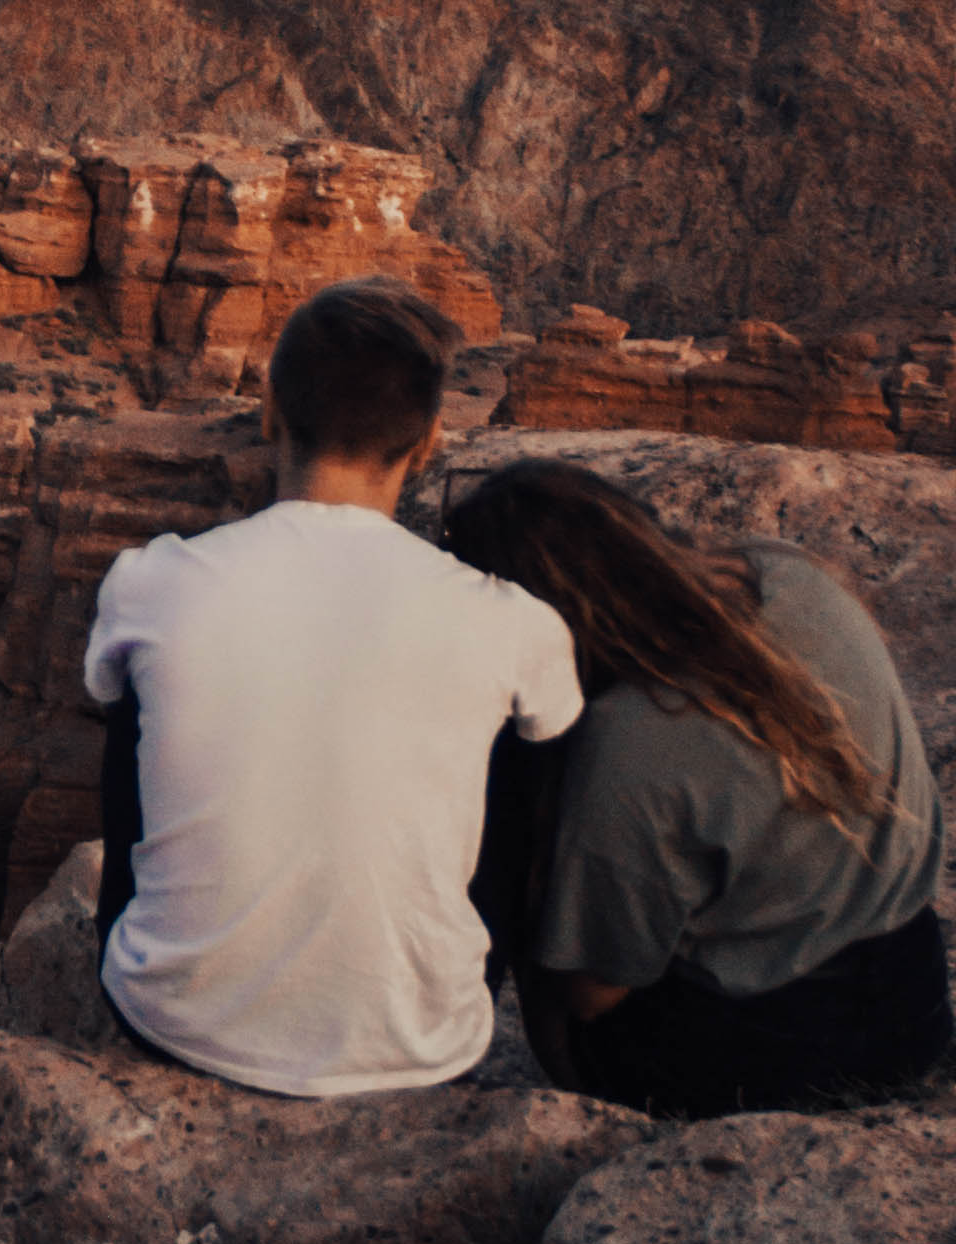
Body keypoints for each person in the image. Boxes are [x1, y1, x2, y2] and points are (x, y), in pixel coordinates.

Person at [81, 279, 584, 1096]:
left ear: (272, 414)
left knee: (145, 687)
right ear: (427, 442)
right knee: (524, 740)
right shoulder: (512, 622)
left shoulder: (154, 579)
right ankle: (416, 969)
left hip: (170, 1018)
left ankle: (190, 944)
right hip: (425, 1043)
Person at [435, 458, 951, 1118]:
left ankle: (447, 1053)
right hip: (917, 1001)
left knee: (520, 768)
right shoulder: (788, 573)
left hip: (769, 1065)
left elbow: (593, 995)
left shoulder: (628, 744)